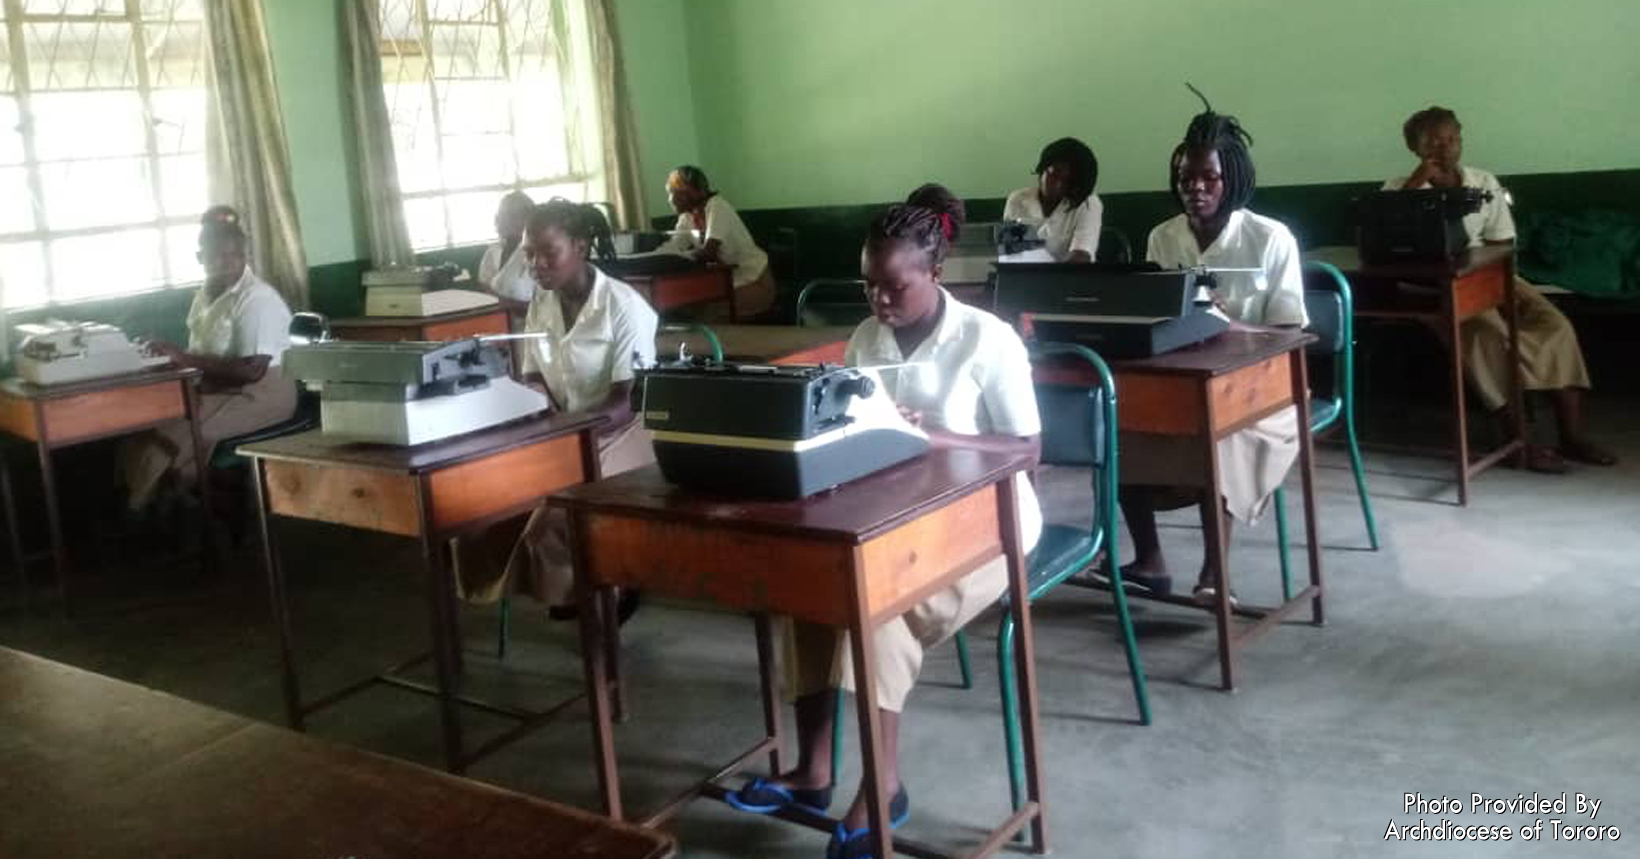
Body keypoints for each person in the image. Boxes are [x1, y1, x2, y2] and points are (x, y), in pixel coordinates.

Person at [724, 188, 1041, 857]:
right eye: (868, 285)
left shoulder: (989, 339)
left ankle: (883, 787)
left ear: (935, 271)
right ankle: (813, 770)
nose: (879, 301)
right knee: (807, 585)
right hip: (893, 513)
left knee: (877, 609)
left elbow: (1026, 449)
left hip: (990, 519)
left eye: (894, 286)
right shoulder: (867, 338)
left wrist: (943, 439)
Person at [1118, 102, 1305, 605]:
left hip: (1264, 392)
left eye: (1208, 178)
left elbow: (1290, 334)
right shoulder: (1164, 237)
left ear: (1233, 180)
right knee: (1117, 427)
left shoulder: (1270, 239)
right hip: (1187, 380)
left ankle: (1215, 573)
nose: (1194, 188)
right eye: (1185, 178)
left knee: (1218, 435)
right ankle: (1150, 560)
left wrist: (1226, 322)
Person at [454, 199, 657, 617]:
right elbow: (533, 378)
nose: (536, 265)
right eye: (530, 254)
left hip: (626, 432)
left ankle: (608, 586)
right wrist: (540, 424)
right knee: (477, 507)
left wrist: (566, 435)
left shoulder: (623, 305)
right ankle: (565, 584)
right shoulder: (541, 306)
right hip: (566, 429)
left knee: (556, 511)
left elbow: (626, 401)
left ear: (580, 247)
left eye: (549, 253)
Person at [1385, 107, 1614, 471]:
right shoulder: (1397, 189)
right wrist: (1417, 185)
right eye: (1432, 142)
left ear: (1461, 141)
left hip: (1489, 275)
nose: (1444, 148)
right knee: (1489, 336)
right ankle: (1518, 443)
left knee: (1555, 326)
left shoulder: (1483, 182)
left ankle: (1571, 436)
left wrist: (1502, 291)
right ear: (1415, 148)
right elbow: (1390, 236)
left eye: (1451, 139)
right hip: (1432, 288)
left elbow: (1503, 242)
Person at [121, 206, 296, 511]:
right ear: (200, 258)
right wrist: (165, 356)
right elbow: (200, 353)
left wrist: (183, 356)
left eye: (235, 255)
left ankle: (167, 503)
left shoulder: (257, 298)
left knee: (185, 434)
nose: (226, 263)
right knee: (150, 428)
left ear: (245, 257)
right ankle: (164, 499)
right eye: (216, 256)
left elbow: (252, 371)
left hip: (263, 394)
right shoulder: (204, 296)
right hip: (219, 387)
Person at [656, 165, 776, 319]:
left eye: (671, 193)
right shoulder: (687, 217)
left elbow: (709, 251)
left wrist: (679, 256)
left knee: (706, 312)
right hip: (727, 283)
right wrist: (652, 256)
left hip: (756, 282)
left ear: (687, 193)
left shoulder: (717, 206)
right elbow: (673, 247)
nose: (669, 199)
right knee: (692, 306)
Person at [1002, 137, 1103, 263]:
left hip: (1071, 279)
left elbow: (1081, 256)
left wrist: (1050, 279)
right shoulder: (1017, 200)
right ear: (1043, 167)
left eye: (1068, 182)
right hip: (1025, 278)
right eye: (1054, 174)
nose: (1058, 185)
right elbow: (1010, 255)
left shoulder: (1088, 203)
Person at [476, 190, 536, 315]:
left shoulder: (536, 253)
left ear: (524, 219)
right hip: (496, 323)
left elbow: (542, 305)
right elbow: (483, 286)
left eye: (506, 215)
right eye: (499, 214)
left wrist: (502, 303)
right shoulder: (493, 251)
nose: (498, 220)